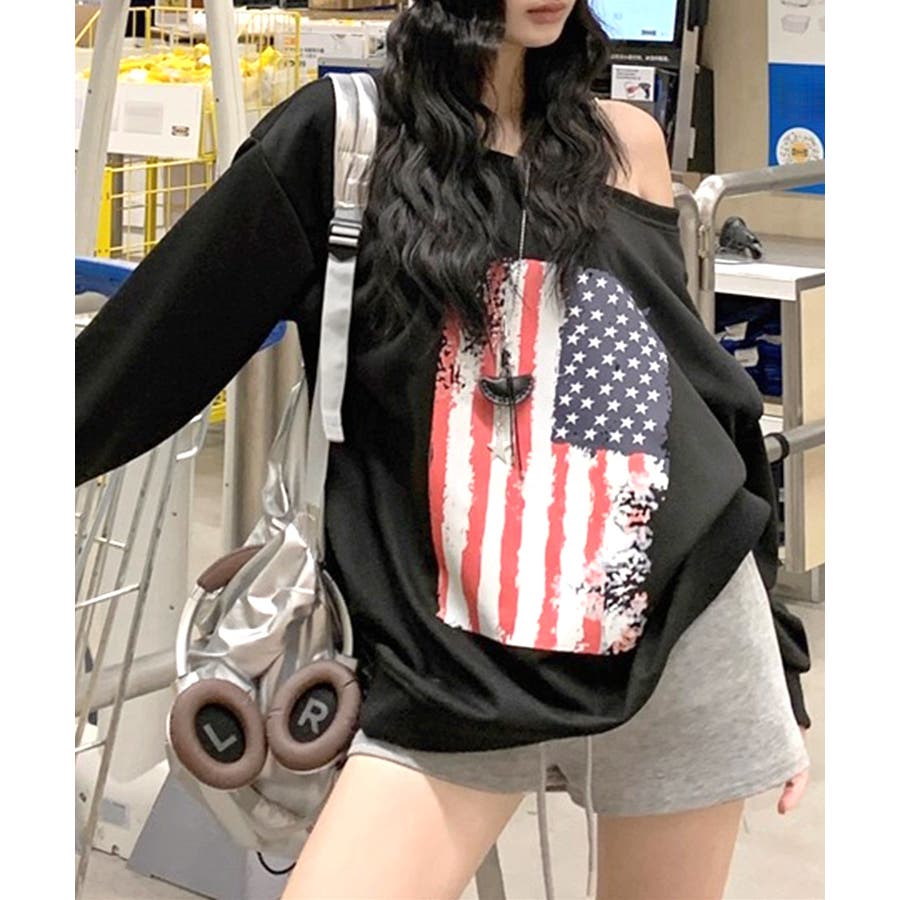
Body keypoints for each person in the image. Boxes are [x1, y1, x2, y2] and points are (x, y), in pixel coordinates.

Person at [76, 2, 812, 898]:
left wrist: (776, 654)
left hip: (682, 643)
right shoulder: (343, 142)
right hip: (452, 675)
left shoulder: (625, 144)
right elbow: (136, 364)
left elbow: (699, 404)